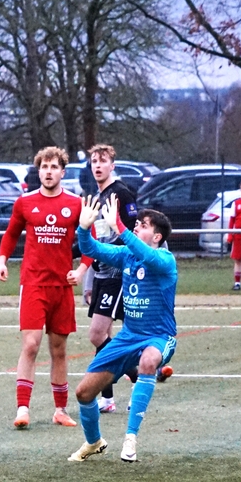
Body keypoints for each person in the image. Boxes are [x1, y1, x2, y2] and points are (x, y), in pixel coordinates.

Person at [69, 194, 177, 463]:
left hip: (159, 336)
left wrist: (119, 226)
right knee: (84, 393)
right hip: (128, 337)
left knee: (149, 361)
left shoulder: (165, 260)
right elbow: (92, 249)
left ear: (157, 237)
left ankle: (131, 438)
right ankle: (94, 442)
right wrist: (83, 228)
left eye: (143, 225)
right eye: (135, 223)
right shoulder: (127, 255)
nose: (136, 226)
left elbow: (147, 256)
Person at [0, 147, 90, 430]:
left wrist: (81, 270)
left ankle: (60, 410)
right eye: (44, 167)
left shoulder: (75, 204)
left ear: (62, 172)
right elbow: (11, 234)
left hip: (62, 287)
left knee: (59, 349)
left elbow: (90, 242)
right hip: (34, 284)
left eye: (53, 167)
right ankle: (22, 408)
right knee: (31, 344)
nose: (48, 172)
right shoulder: (25, 203)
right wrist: (2, 261)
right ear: (39, 172)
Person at [80, 144, 140, 414]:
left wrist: (109, 257)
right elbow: (95, 239)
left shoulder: (121, 193)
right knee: (105, 335)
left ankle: (137, 375)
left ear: (112, 165)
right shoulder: (96, 196)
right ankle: (108, 398)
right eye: (94, 161)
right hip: (102, 273)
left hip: (117, 274)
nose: (98, 165)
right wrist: (90, 277)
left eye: (103, 161)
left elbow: (131, 233)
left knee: (97, 335)